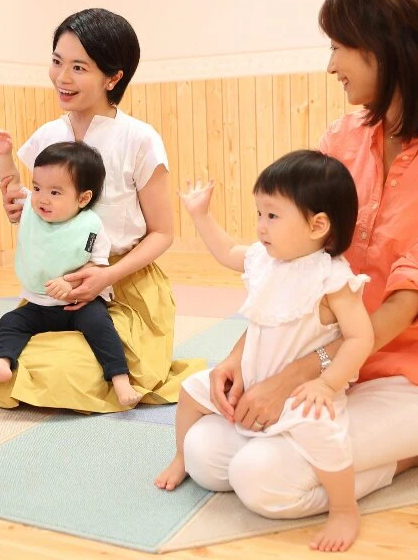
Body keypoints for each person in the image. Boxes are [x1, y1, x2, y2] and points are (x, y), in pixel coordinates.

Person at [180, 0, 418, 553]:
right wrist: (244, 356)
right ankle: (340, 450)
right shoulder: (343, 137)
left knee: (262, 478)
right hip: (329, 371)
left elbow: (408, 302)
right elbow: (290, 260)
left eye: (342, 47)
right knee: (206, 455)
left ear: (397, 48)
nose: (331, 64)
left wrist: (290, 378)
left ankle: (415, 452)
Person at [0, 8, 204, 413]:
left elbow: (163, 233)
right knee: (7, 356)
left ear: (113, 78)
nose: (63, 78)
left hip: (126, 286)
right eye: (58, 62)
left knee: (68, 371)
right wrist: (23, 211)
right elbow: (40, 207)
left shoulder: (139, 139)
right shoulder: (48, 136)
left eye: (79, 67)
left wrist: (106, 276)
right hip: (55, 292)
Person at [155, 151, 373, 552]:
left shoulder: (332, 278)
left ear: (318, 225)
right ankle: (181, 458)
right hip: (252, 380)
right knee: (189, 391)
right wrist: (201, 216)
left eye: (272, 216)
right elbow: (225, 252)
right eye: (259, 214)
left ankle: (344, 509)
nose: (260, 227)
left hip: (299, 392)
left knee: (324, 432)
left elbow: (361, 337)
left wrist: (328, 383)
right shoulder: (262, 260)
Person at [0, 137, 144, 407]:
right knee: (10, 322)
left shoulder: (89, 227)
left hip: (78, 305)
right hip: (38, 304)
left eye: (55, 192)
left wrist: (69, 283)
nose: (42, 199)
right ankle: (2, 363)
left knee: (102, 327)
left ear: (83, 198)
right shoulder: (31, 209)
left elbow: (95, 264)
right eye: (38, 187)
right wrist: (4, 155)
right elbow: (11, 184)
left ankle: (120, 379)